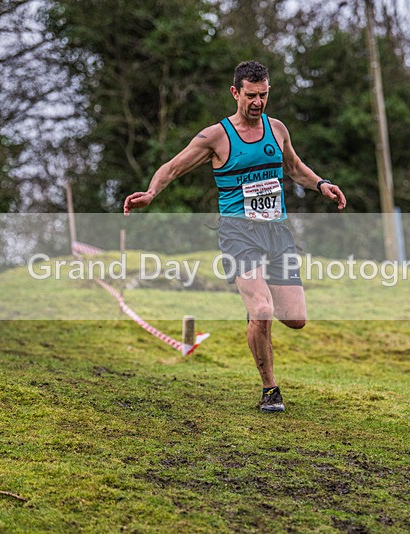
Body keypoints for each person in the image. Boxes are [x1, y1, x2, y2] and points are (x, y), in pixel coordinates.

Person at [123, 60, 346, 412]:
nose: (258, 102)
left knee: (295, 318)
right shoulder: (216, 136)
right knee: (262, 309)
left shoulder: (278, 129)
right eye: (251, 96)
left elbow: (293, 167)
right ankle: (270, 389)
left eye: (264, 95)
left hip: (277, 232)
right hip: (238, 233)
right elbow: (173, 167)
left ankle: (256, 318)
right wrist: (151, 193)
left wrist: (321, 184)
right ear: (235, 93)